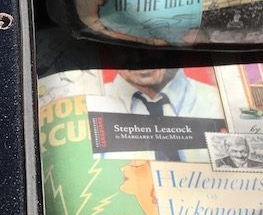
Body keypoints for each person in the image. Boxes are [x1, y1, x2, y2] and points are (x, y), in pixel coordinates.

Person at [92, 67, 224, 161]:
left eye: (150, 43)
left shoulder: (218, 101)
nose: (139, 58)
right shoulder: (92, 103)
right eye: (125, 47)